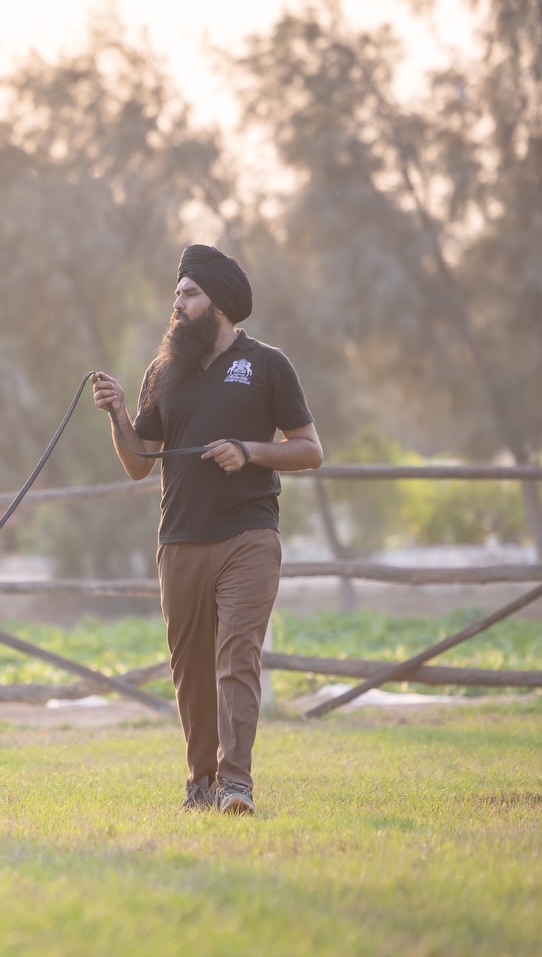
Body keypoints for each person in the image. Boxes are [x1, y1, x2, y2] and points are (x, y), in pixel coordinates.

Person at [92, 244, 323, 815]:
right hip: (179, 541)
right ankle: (200, 783)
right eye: (176, 294)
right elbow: (140, 461)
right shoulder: (162, 372)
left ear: (219, 303)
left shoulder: (268, 365)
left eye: (189, 294)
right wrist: (119, 413)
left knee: (236, 657)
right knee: (190, 668)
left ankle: (236, 784)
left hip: (248, 536)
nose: (178, 305)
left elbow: (310, 450)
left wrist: (249, 451)